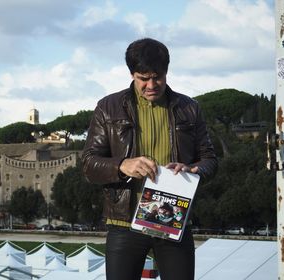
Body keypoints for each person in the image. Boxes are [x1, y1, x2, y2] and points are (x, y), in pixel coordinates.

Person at [82, 38, 217, 280]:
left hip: (175, 219)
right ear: (132, 74)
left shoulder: (190, 108)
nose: (151, 84)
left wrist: (193, 169)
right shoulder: (107, 107)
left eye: (158, 77)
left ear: (166, 72)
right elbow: (89, 164)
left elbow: (210, 160)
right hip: (124, 223)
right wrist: (122, 165)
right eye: (143, 78)